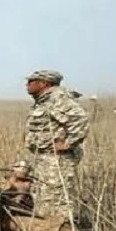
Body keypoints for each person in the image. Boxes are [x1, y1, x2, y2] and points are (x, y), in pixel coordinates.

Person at [24, 69, 90, 221]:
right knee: (44, 197)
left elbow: (80, 119)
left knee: (57, 199)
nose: (26, 85)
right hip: (44, 158)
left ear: (44, 83)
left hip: (57, 160)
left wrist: (68, 143)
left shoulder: (58, 99)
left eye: (31, 82)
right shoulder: (44, 101)